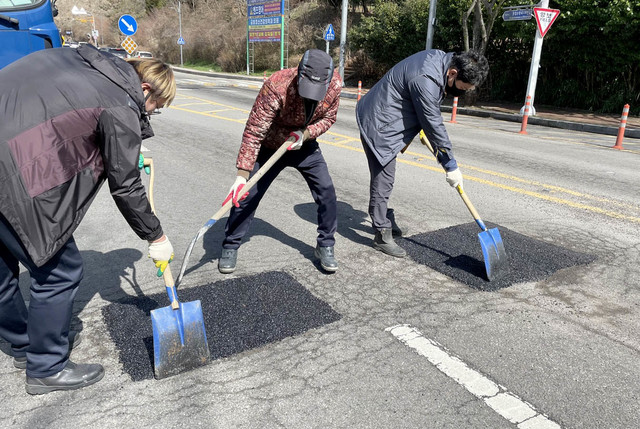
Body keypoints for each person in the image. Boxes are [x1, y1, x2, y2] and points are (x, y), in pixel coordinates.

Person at [0, 45, 176, 395]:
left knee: (3, 267)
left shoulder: (82, 62)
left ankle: (23, 344)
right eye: (156, 107)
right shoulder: (121, 100)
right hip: (12, 175)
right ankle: (46, 366)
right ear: (145, 90)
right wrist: (155, 237)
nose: (152, 113)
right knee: (60, 270)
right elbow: (125, 186)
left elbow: (73, 115)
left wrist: (127, 145)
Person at [356, 49, 489, 257]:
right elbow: (434, 123)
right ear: (453, 73)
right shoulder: (426, 79)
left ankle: (386, 220)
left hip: (389, 115)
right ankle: (382, 232)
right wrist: (450, 166)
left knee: (386, 178)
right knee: (384, 178)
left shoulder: (440, 61)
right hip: (379, 122)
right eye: (464, 88)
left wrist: (419, 126)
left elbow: (424, 108)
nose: (464, 92)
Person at [219, 49, 342, 274]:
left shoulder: (334, 86)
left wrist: (305, 134)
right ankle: (230, 244)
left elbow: (329, 118)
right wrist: (241, 176)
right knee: (247, 195)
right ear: (299, 75)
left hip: (303, 144)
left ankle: (325, 244)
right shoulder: (277, 85)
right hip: (270, 145)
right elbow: (254, 132)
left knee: (326, 191)